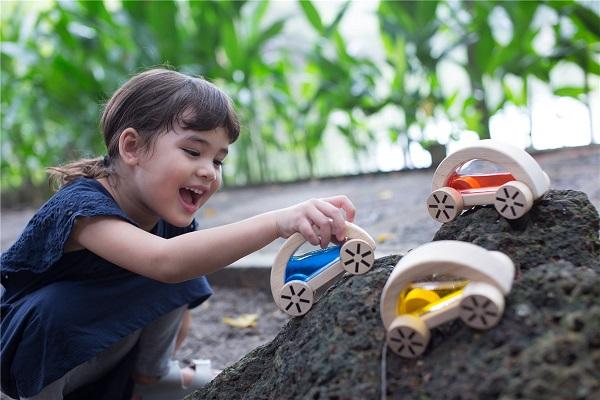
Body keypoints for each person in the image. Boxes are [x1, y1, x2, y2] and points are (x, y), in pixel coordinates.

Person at [0, 68, 356, 400]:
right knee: (54, 310)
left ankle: (150, 381)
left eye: (218, 161)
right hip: (24, 372)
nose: (208, 172)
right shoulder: (81, 208)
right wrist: (278, 222)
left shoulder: (166, 217)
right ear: (132, 147)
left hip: (96, 360)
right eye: (192, 151)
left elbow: (179, 287)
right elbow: (165, 263)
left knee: (184, 264)